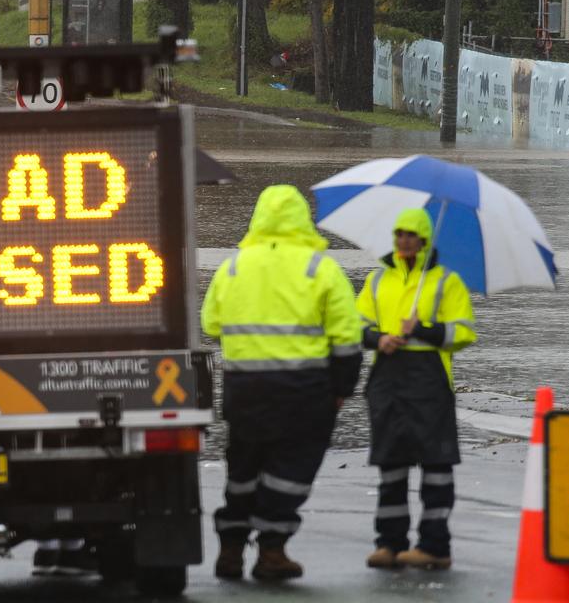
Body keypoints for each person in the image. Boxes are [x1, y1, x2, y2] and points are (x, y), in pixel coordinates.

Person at [201, 185, 362, 581]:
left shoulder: (233, 267)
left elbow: (210, 324)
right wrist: (342, 388)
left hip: (244, 390)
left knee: (243, 466)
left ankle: (232, 547)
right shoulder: (320, 268)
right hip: (304, 392)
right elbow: (347, 338)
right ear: (301, 219)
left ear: (258, 217)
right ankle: (272, 549)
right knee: (292, 467)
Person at [356, 208, 475, 571]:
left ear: (424, 240)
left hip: (430, 385)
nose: (403, 240)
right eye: (399, 234)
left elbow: (463, 332)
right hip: (389, 382)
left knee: (436, 468)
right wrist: (380, 339)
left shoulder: (446, 282)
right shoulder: (378, 281)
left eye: (410, 235)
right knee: (391, 466)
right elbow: (355, 326)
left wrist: (422, 328)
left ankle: (434, 545)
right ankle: (389, 543)